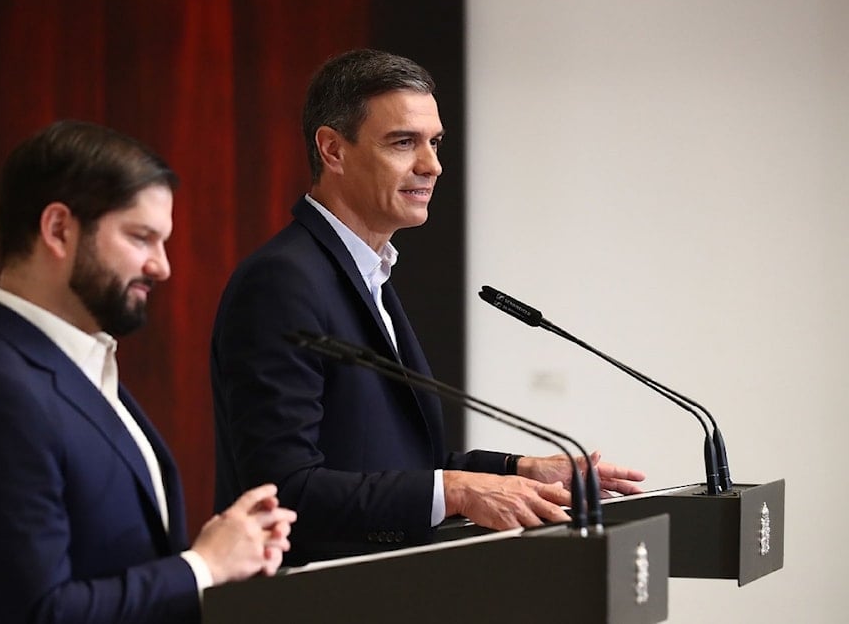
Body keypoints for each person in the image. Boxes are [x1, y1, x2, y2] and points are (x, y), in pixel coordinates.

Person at [210, 49, 644, 564]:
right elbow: (283, 491)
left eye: (434, 142)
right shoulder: (284, 280)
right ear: (332, 149)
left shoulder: (365, 274)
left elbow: (394, 462)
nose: (432, 165)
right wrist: (457, 491)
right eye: (403, 143)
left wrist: (519, 469)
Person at [0, 121, 296, 623]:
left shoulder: (81, 363)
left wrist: (226, 554)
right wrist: (203, 566)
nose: (162, 266)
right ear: (58, 230)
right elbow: (42, 614)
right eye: (141, 237)